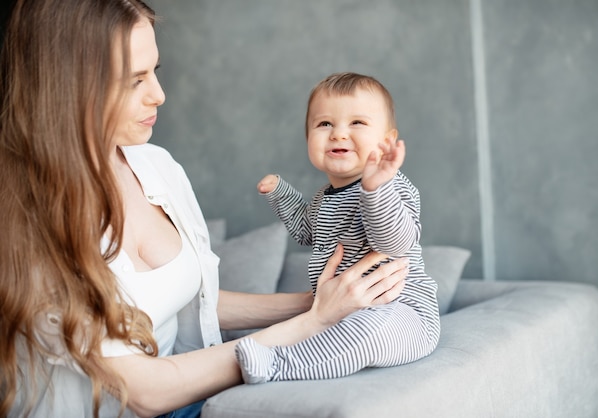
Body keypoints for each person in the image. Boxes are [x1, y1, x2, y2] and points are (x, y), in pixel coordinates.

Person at [0, 2, 409, 417]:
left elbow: (196, 299)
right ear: (68, 85)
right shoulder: (26, 215)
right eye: (134, 80)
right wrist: (311, 323)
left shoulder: (156, 166)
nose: (159, 95)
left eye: (154, 72)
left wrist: (316, 302)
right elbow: (145, 393)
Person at [234, 72, 440, 383]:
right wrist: (281, 194)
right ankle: (282, 351)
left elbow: (395, 243)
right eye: (324, 124)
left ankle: (277, 365)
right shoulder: (323, 198)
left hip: (402, 311)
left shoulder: (392, 187)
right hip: (339, 309)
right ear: (308, 139)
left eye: (357, 123)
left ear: (386, 140)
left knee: (368, 332)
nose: (338, 134)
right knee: (325, 331)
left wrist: (374, 189)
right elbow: (307, 231)